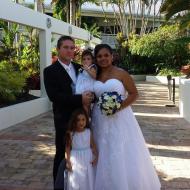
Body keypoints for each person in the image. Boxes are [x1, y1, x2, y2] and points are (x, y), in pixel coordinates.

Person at [91, 44, 161, 190]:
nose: (103, 59)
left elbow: (134, 94)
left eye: (106, 55)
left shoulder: (121, 73)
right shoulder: (94, 74)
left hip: (120, 118)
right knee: (101, 150)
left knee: (120, 150)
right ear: (95, 59)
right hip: (99, 118)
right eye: (99, 56)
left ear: (112, 56)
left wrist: (118, 107)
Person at [43, 36, 93, 188]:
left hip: (83, 120)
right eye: (66, 47)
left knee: (81, 153)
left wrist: (91, 96)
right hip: (63, 120)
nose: (70, 50)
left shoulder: (79, 68)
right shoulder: (50, 71)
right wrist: (80, 99)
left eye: (72, 48)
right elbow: (55, 97)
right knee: (62, 154)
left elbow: (89, 85)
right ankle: (59, 185)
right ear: (58, 49)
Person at [55, 108, 98, 190]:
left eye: (83, 120)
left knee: (87, 177)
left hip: (87, 158)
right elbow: (67, 149)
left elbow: (93, 145)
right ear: (74, 121)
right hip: (75, 159)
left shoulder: (88, 132)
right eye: (78, 120)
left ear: (86, 120)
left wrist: (96, 157)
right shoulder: (71, 134)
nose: (81, 122)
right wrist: (68, 162)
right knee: (76, 178)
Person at [75, 50, 97, 115]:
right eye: (84, 59)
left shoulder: (92, 67)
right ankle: (86, 117)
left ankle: (87, 118)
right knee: (83, 106)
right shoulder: (82, 68)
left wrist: (87, 70)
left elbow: (94, 76)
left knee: (86, 105)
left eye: (88, 59)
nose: (86, 61)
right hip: (81, 89)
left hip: (88, 89)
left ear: (92, 60)